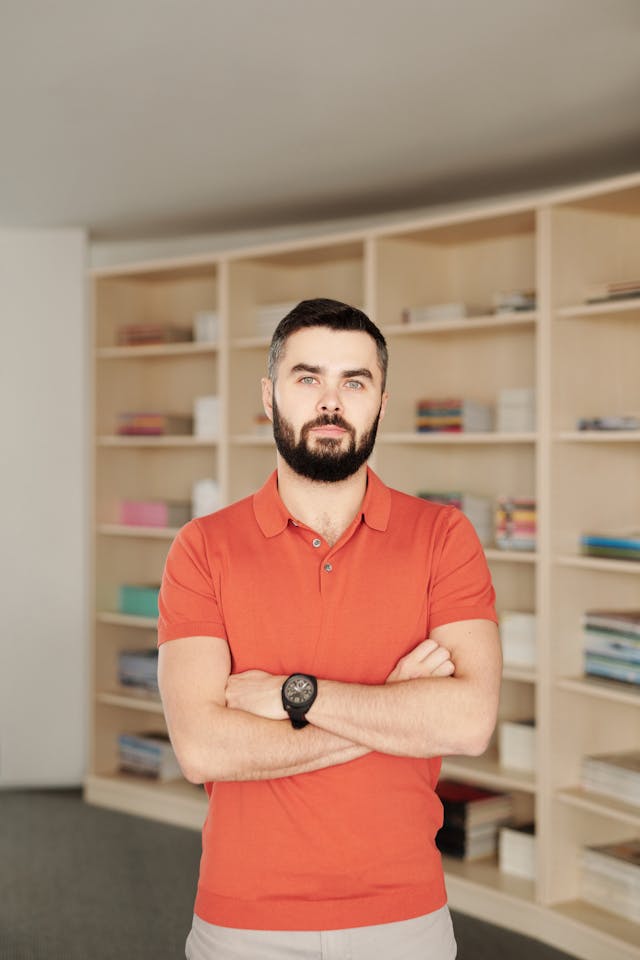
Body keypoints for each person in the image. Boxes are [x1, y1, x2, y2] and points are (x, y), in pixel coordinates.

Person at [157, 297, 502, 960]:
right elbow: (202, 748)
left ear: (381, 401)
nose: (331, 402)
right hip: (243, 919)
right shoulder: (202, 547)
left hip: (404, 915)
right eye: (308, 378)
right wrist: (392, 710)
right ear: (270, 395)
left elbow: (468, 723)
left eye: (354, 381)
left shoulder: (443, 538)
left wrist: (298, 693)